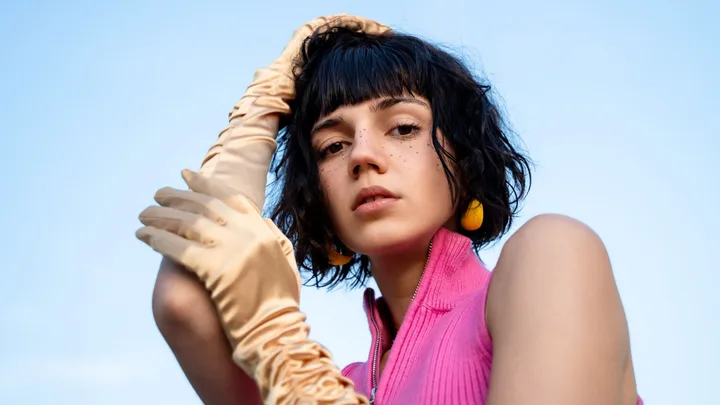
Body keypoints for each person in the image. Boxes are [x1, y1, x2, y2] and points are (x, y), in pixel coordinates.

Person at [136, 15, 643, 405]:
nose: (362, 155)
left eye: (403, 128)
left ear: (463, 160)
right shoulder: (342, 383)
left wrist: (274, 334)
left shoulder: (551, 257)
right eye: (331, 147)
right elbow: (186, 301)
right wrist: (263, 105)